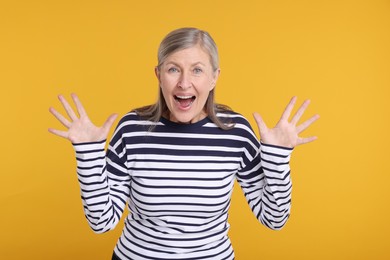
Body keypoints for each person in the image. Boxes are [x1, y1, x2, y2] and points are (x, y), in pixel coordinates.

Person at [49, 27, 319, 260]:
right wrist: (88, 155)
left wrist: (277, 158)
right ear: (158, 75)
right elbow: (101, 222)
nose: (184, 83)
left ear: (214, 77)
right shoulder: (131, 129)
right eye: (173, 69)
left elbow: (274, 219)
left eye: (197, 70)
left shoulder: (236, 133)